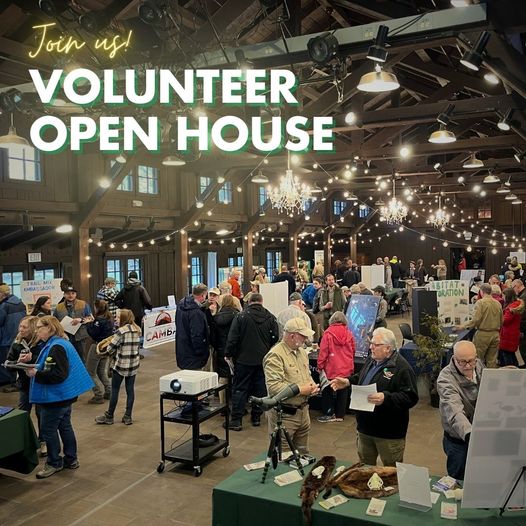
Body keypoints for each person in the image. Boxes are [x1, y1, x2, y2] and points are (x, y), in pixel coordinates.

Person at [330, 328, 418, 466]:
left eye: (375, 345)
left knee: (391, 473)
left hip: (388, 434)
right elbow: (364, 377)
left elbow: (411, 397)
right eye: (371, 343)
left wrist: (386, 397)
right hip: (365, 428)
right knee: (365, 468)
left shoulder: (402, 368)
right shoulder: (373, 360)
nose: (371, 347)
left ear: (388, 348)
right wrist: (348, 381)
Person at [26, 316, 93, 479]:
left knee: (48, 431)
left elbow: (58, 375)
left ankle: (54, 462)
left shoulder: (56, 347)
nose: (37, 330)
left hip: (56, 397)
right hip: (64, 396)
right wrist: (35, 365)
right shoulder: (59, 343)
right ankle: (71, 459)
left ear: (50, 328)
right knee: (65, 427)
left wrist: (36, 374)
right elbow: (52, 367)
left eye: (40, 327)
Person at [263, 318, 320, 454]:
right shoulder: (275, 355)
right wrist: (301, 390)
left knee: (302, 453)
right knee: (284, 456)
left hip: (303, 413)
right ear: (292, 335)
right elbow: (274, 387)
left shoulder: (301, 352)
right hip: (284, 416)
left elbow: (306, 375)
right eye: (303, 335)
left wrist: (312, 387)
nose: (306, 339)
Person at [224, 293, 279, 430]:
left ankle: (236, 420)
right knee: (260, 389)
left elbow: (233, 338)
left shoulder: (241, 316)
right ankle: (256, 417)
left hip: (243, 359)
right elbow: (275, 337)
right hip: (262, 359)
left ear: (249, 302)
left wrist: (228, 353)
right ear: (262, 301)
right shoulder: (270, 317)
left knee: (240, 389)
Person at [437, 341, 483, 480]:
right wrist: (469, 434)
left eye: (471, 361)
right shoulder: (445, 379)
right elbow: (454, 410)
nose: (468, 366)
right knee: (458, 480)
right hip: (459, 440)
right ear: (454, 358)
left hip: (479, 434)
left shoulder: (478, 364)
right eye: (463, 362)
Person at [95, 309, 141, 426]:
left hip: (120, 365)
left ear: (123, 319)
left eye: (118, 317)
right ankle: (128, 417)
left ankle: (109, 416)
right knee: (130, 390)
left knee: (115, 390)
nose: (115, 318)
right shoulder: (137, 330)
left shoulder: (120, 332)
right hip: (133, 365)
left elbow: (109, 349)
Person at [7, 316, 45, 454]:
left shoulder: (41, 343)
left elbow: (47, 362)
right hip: (24, 385)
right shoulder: (17, 343)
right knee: (23, 413)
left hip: (40, 384)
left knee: (41, 414)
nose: (20, 329)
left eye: (24, 327)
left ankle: (43, 441)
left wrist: (32, 359)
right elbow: (9, 365)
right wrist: (18, 361)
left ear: (33, 329)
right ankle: (23, 442)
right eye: (20, 326)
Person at [317, 312, 355, 423]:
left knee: (327, 390)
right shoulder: (349, 333)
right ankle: (340, 415)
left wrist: (320, 365)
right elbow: (353, 350)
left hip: (332, 368)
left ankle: (329, 413)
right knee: (343, 391)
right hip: (346, 367)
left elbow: (323, 352)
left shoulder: (327, 334)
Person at [456, 283, 502, 368]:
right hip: (495, 334)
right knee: (492, 361)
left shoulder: (480, 303)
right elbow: (501, 320)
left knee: (478, 360)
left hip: (483, 334)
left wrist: (463, 326)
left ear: (481, 291)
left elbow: (475, 320)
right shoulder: (498, 303)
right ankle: (490, 379)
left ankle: (479, 379)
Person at [212, 295, 241, 403]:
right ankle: (236, 403)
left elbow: (213, 337)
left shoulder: (216, 317)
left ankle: (222, 404)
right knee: (236, 377)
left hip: (221, 350)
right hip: (235, 351)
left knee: (223, 377)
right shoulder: (238, 315)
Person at [52, 286, 93, 362]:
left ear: (76, 294)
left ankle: (82, 373)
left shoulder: (83, 304)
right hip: (64, 336)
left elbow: (91, 318)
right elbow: (54, 321)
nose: (70, 295)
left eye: (73, 293)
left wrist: (81, 319)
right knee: (66, 357)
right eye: (68, 293)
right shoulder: (58, 307)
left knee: (81, 358)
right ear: (64, 295)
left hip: (80, 336)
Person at [85, 299, 114, 404]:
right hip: (106, 347)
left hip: (97, 346)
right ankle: (109, 391)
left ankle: (98, 394)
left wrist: (88, 324)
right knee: (101, 371)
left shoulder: (99, 321)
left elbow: (93, 334)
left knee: (90, 372)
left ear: (96, 308)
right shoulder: (109, 318)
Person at [175, 284, 209, 371]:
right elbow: (197, 334)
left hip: (182, 349)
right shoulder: (195, 312)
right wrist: (201, 352)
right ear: (202, 295)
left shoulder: (181, 304)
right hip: (193, 355)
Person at [0, 284, 27, 390]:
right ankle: (14, 381)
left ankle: (7, 380)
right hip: (18, 335)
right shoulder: (20, 302)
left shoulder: (4, 306)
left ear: (2, 294)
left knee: (6, 360)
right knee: (17, 359)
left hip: (5, 338)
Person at [499, 287, 524, 367]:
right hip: (512, 334)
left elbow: (504, 321)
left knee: (508, 358)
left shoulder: (511, 309)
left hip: (508, 335)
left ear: (508, 296)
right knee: (511, 355)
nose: (503, 298)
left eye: (503, 296)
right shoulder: (517, 305)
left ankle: (510, 375)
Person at [512, 279, 526, 367]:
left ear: (516, 286)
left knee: (523, 350)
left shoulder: (523, 298)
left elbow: (522, 314)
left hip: (524, 328)